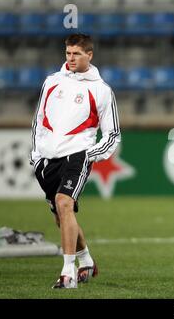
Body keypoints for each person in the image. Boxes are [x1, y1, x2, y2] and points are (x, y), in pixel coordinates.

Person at [30, 33, 121, 289]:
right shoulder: (52, 81)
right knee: (62, 215)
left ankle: (67, 273)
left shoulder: (102, 91)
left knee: (64, 203)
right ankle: (86, 260)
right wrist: (36, 154)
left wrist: (87, 155)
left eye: (77, 54)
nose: (71, 58)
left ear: (89, 55)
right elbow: (38, 120)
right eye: (68, 53)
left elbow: (113, 134)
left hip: (77, 155)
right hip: (47, 158)